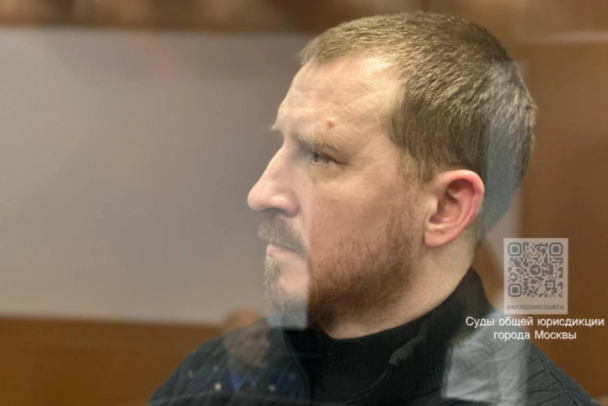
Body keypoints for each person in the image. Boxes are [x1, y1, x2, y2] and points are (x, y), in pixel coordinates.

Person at [148, 12, 596, 406]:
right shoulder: (211, 379)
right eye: (282, 145)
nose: (261, 193)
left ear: (445, 208)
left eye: (319, 156)